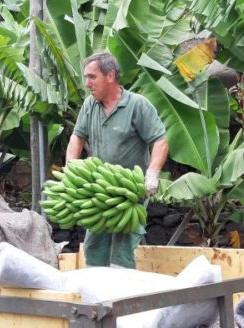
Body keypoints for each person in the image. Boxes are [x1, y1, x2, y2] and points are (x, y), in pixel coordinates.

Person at [65, 52, 169, 268]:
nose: (87, 83)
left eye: (92, 77)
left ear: (110, 75)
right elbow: (78, 137)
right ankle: (97, 295)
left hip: (130, 191)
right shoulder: (89, 105)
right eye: (86, 77)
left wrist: (152, 173)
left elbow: (160, 140)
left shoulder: (137, 105)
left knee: (122, 249)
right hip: (99, 189)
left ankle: (122, 297)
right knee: (94, 246)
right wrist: (71, 167)